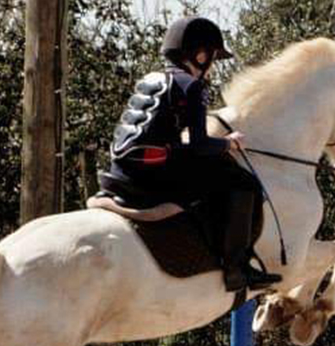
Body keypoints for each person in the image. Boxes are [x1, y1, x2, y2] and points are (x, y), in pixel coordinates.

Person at [100, 16, 281, 292]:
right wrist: (228, 144)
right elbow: (199, 145)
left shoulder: (154, 77)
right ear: (200, 55)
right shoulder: (192, 86)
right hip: (152, 175)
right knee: (242, 183)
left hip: (119, 171)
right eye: (211, 58)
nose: (211, 68)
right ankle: (236, 269)